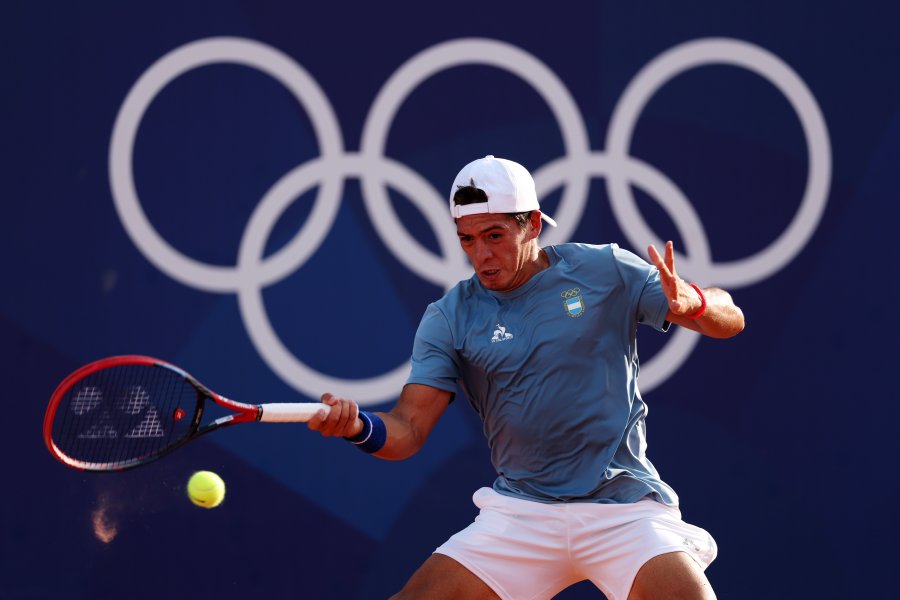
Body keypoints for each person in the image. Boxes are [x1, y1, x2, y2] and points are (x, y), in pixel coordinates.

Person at [308, 155, 745, 599]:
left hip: (624, 507)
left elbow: (731, 319)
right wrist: (359, 427)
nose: (481, 255)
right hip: (521, 513)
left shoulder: (603, 270)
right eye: (468, 240)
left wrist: (694, 303)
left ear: (533, 225)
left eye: (494, 236)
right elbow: (408, 429)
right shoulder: (449, 317)